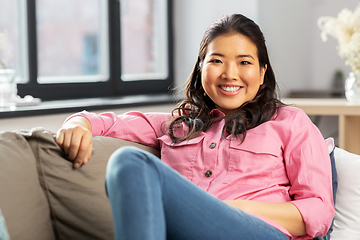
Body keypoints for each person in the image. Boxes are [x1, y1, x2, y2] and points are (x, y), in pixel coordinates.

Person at [56, 14, 335, 240]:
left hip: (257, 230)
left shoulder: (290, 123)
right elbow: (110, 124)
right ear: (201, 68)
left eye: (244, 62)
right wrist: (77, 122)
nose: (230, 74)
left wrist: (236, 209)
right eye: (216, 61)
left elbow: (319, 211)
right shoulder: (178, 126)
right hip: (186, 231)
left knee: (129, 161)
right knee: (127, 163)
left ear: (262, 73)